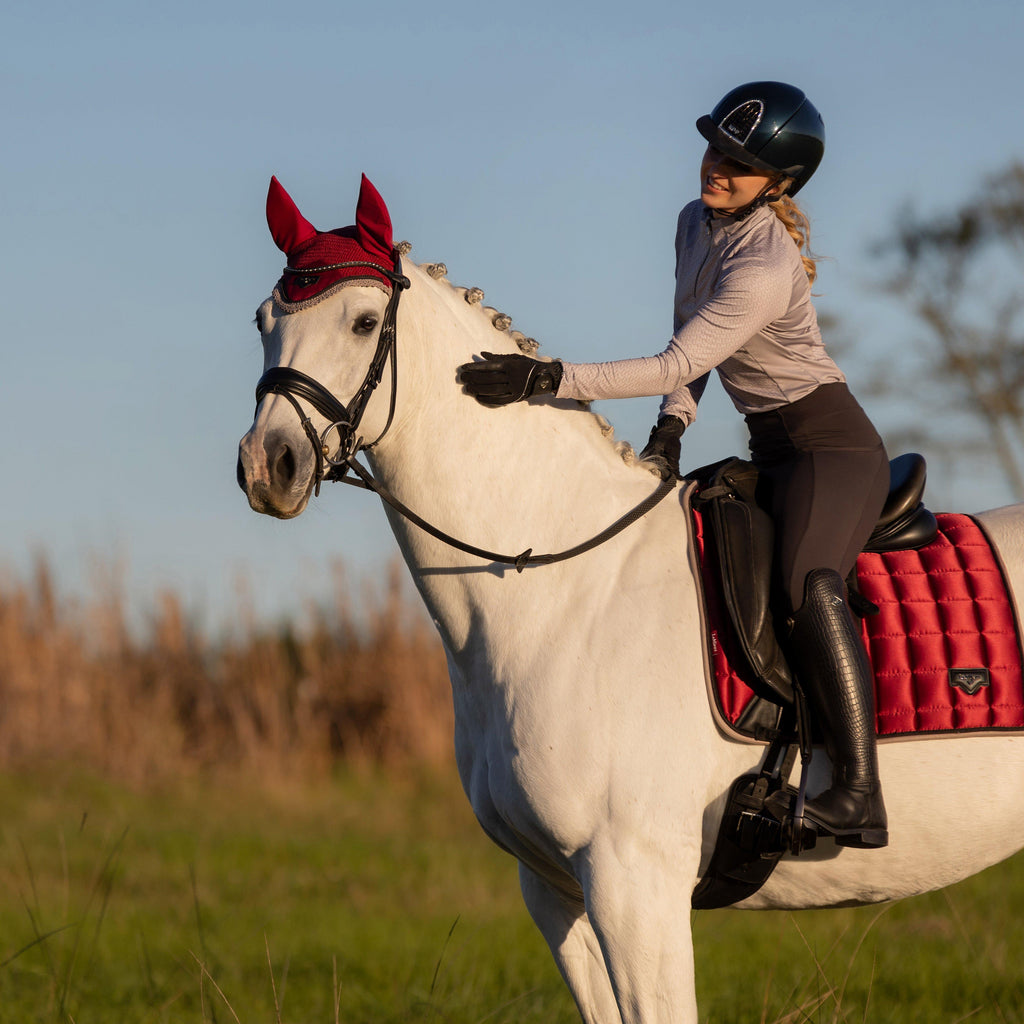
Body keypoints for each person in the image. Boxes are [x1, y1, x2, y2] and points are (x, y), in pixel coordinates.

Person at [458, 81, 890, 849]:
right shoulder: (694, 222)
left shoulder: (765, 263)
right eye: (716, 148)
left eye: (740, 163)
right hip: (770, 447)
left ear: (778, 185)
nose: (716, 167)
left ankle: (859, 794)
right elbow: (689, 342)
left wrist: (548, 378)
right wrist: (671, 432)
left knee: (803, 583)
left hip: (832, 449)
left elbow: (677, 359)